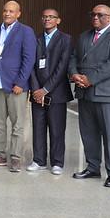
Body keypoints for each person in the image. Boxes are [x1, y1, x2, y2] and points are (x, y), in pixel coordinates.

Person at [70, 4, 110, 188]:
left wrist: (90, 79)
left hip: (109, 95)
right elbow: (73, 57)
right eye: (93, 14)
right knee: (88, 133)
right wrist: (74, 74)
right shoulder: (84, 36)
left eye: (100, 15)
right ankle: (93, 167)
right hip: (86, 93)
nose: (95, 17)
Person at [0, 0, 36, 172]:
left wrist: (20, 82)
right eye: (5, 10)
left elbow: (29, 59)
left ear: (18, 14)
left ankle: (16, 157)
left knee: (17, 124)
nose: (7, 13)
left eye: (11, 11)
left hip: (16, 87)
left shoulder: (26, 31)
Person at [27, 9, 73, 175]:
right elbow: (31, 66)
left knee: (57, 129)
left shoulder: (65, 39)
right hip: (37, 93)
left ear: (58, 20)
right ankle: (38, 160)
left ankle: (57, 162)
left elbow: (62, 67)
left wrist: (46, 89)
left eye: (51, 17)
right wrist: (36, 89)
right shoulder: (36, 39)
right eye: (45, 17)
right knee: (38, 128)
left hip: (57, 93)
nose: (47, 19)